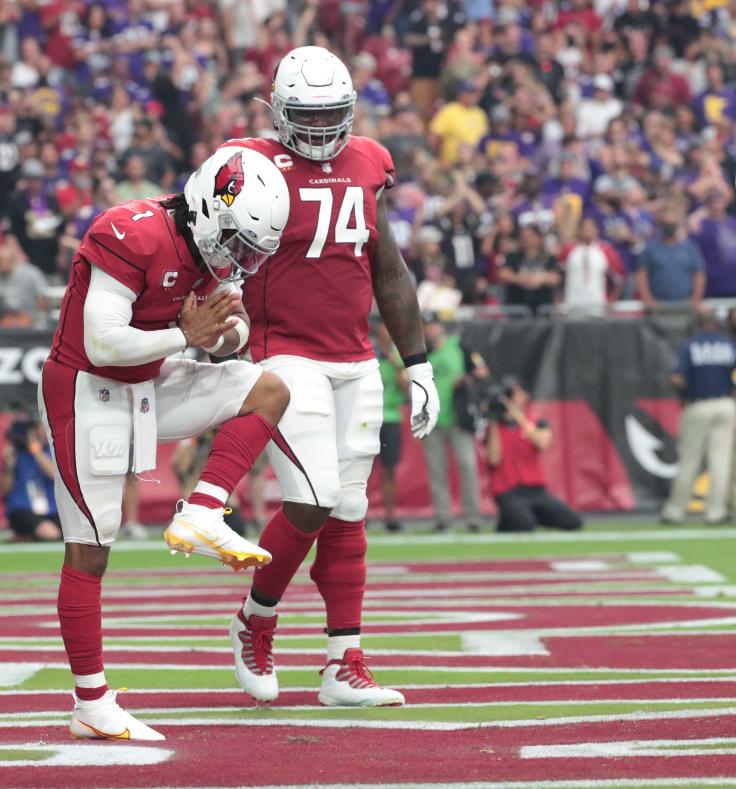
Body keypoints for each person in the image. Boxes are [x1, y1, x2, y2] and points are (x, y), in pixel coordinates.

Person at [38, 146, 291, 741]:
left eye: (252, 253)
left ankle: (202, 510)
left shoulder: (216, 247)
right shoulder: (131, 231)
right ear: (209, 204)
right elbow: (101, 342)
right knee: (90, 548)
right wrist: (187, 333)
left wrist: (223, 335)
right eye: (239, 245)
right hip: (87, 386)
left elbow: (235, 331)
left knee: (268, 389)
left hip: (151, 379)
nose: (240, 261)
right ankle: (91, 703)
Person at [223, 47, 439, 708]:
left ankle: (343, 662)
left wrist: (418, 360)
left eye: (331, 115)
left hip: (353, 357)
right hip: (283, 353)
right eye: (306, 115)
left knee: (349, 507)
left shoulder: (369, 161)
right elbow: (208, 244)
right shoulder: (249, 163)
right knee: (313, 498)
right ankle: (256, 618)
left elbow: (389, 267)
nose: (319, 129)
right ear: (278, 111)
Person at [661, 310, 736, 525]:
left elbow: (676, 378)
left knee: (689, 461)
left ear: (697, 324)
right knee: (720, 462)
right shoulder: (728, 346)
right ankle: (716, 512)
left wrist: (687, 389)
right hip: (725, 404)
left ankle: (675, 511)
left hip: (698, 404)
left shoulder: (691, 347)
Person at [485, 379, 582, 533]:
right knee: (524, 525)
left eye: (515, 394)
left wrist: (517, 416)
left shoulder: (535, 423)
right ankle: (514, 518)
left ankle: (532, 513)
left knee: (573, 521)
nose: (512, 399)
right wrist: (495, 421)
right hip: (508, 490)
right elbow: (494, 459)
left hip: (536, 490)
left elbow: (542, 443)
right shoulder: (494, 428)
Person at [423, 318, 484, 534]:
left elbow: (481, 371)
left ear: (441, 327)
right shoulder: (421, 353)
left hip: (458, 417)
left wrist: (465, 379)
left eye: (432, 325)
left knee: (467, 466)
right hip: (431, 418)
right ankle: (443, 517)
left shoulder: (458, 346)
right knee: (437, 471)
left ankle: (473, 517)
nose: (429, 330)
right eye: (426, 327)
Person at [0, 409, 61, 542]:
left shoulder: (51, 451)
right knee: (50, 533)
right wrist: (9, 466)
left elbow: (54, 475)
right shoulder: (15, 454)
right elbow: (4, 489)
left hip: (52, 510)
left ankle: (25, 538)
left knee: (75, 534)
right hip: (24, 510)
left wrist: (35, 449)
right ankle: (30, 535)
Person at [636, 207, 707, 307]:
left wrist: (696, 298)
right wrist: (647, 299)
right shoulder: (650, 249)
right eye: (666, 223)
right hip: (658, 304)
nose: (669, 227)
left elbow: (699, 274)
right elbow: (641, 275)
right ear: (660, 225)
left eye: (672, 223)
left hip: (686, 302)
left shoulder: (690, 248)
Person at [374, 320, 406, 532]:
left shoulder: (397, 355)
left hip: (391, 417)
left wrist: (394, 360)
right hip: (367, 417)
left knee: (389, 469)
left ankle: (390, 514)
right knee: (360, 470)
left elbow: (405, 387)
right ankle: (357, 515)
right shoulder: (368, 353)